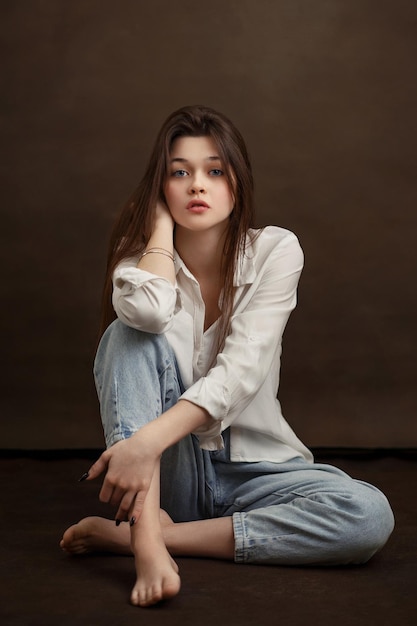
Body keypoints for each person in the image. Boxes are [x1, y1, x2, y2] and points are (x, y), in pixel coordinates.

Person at [60, 105, 394, 607]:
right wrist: (157, 229)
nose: (198, 185)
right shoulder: (142, 267)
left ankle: (150, 536)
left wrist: (143, 443)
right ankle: (148, 541)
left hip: (254, 470)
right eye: (179, 173)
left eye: (215, 171)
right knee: (126, 335)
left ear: (238, 183)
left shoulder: (276, 251)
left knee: (367, 514)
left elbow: (241, 370)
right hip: (170, 476)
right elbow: (147, 316)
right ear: (160, 187)